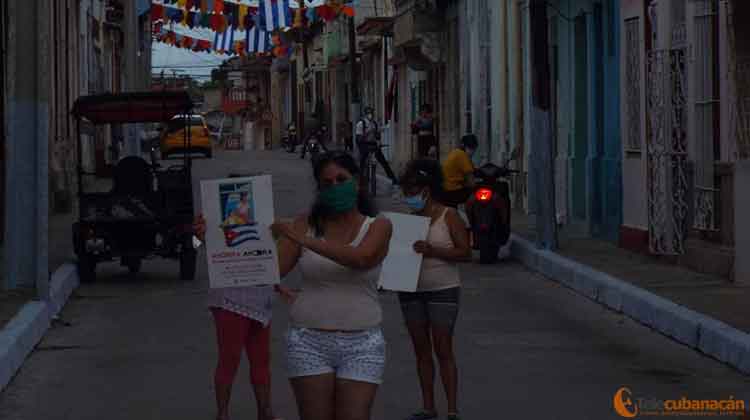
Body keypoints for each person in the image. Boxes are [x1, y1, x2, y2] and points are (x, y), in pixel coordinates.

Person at [270, 151, 393, 420]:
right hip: (308, 341)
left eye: (341, 179)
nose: (335, 187)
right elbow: (270, 271)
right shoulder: (303, 225)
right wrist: (220, 240)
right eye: (327, 183)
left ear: (357, 182)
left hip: (362, 343)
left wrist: (304, 240)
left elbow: (361, 258)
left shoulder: (379, 226)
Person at [397, 159, 471, 420]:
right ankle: (428, 406)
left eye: (412, 191)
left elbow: (465, 252)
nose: (409, 197)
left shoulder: (449, 216)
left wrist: (433, 251)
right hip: (410, 291)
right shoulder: (406, 222)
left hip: (443, 289)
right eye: (406, 192)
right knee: (421, 350)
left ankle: (452, 409)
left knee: (443, 348)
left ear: (426, 190)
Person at [192, 217, 282, 420]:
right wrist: (200, 236)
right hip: (229, 295)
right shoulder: (212, 212)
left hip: (260, 292)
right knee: (229, 358)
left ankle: (264, 411)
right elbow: (196, 244)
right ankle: (223, 415)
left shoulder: (264, 212)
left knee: (261, 358)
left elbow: (273, 249)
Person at [355, 107, 398, 186]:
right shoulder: (361, 123)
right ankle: (359, 180)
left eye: (371, 113)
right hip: (364, 144)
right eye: (368, 113)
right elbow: (358, 138)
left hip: (373, 144)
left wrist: (378, 140)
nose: (370, 115)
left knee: (383, 161)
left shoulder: (375, 123)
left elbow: (378, 135)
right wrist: (367, 133)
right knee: (363, 161)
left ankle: (393, 178)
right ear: (365, 114)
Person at [440, 134, 478, 208]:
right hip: (453, 191)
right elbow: (471, 181)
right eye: (470, 147)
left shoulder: (456, 152)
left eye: (473, 148)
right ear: (464, 146)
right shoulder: (462, 156)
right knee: (477, 193)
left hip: (446, 189)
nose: (472, 151)